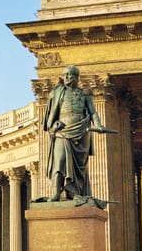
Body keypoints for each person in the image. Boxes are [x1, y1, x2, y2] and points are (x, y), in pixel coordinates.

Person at [43, 65, 104, 201]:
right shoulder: (57, 93)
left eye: (69, 75)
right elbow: (50, 118)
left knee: (79, 168)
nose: (65, 78)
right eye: (64, 75)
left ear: (76, 77)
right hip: (62, 132)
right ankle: (56, 192)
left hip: (81, 133)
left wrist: (99, 126)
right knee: (59, 162)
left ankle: (74, 191)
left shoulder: (84, 94)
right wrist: (53, 126)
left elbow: (92, 112)